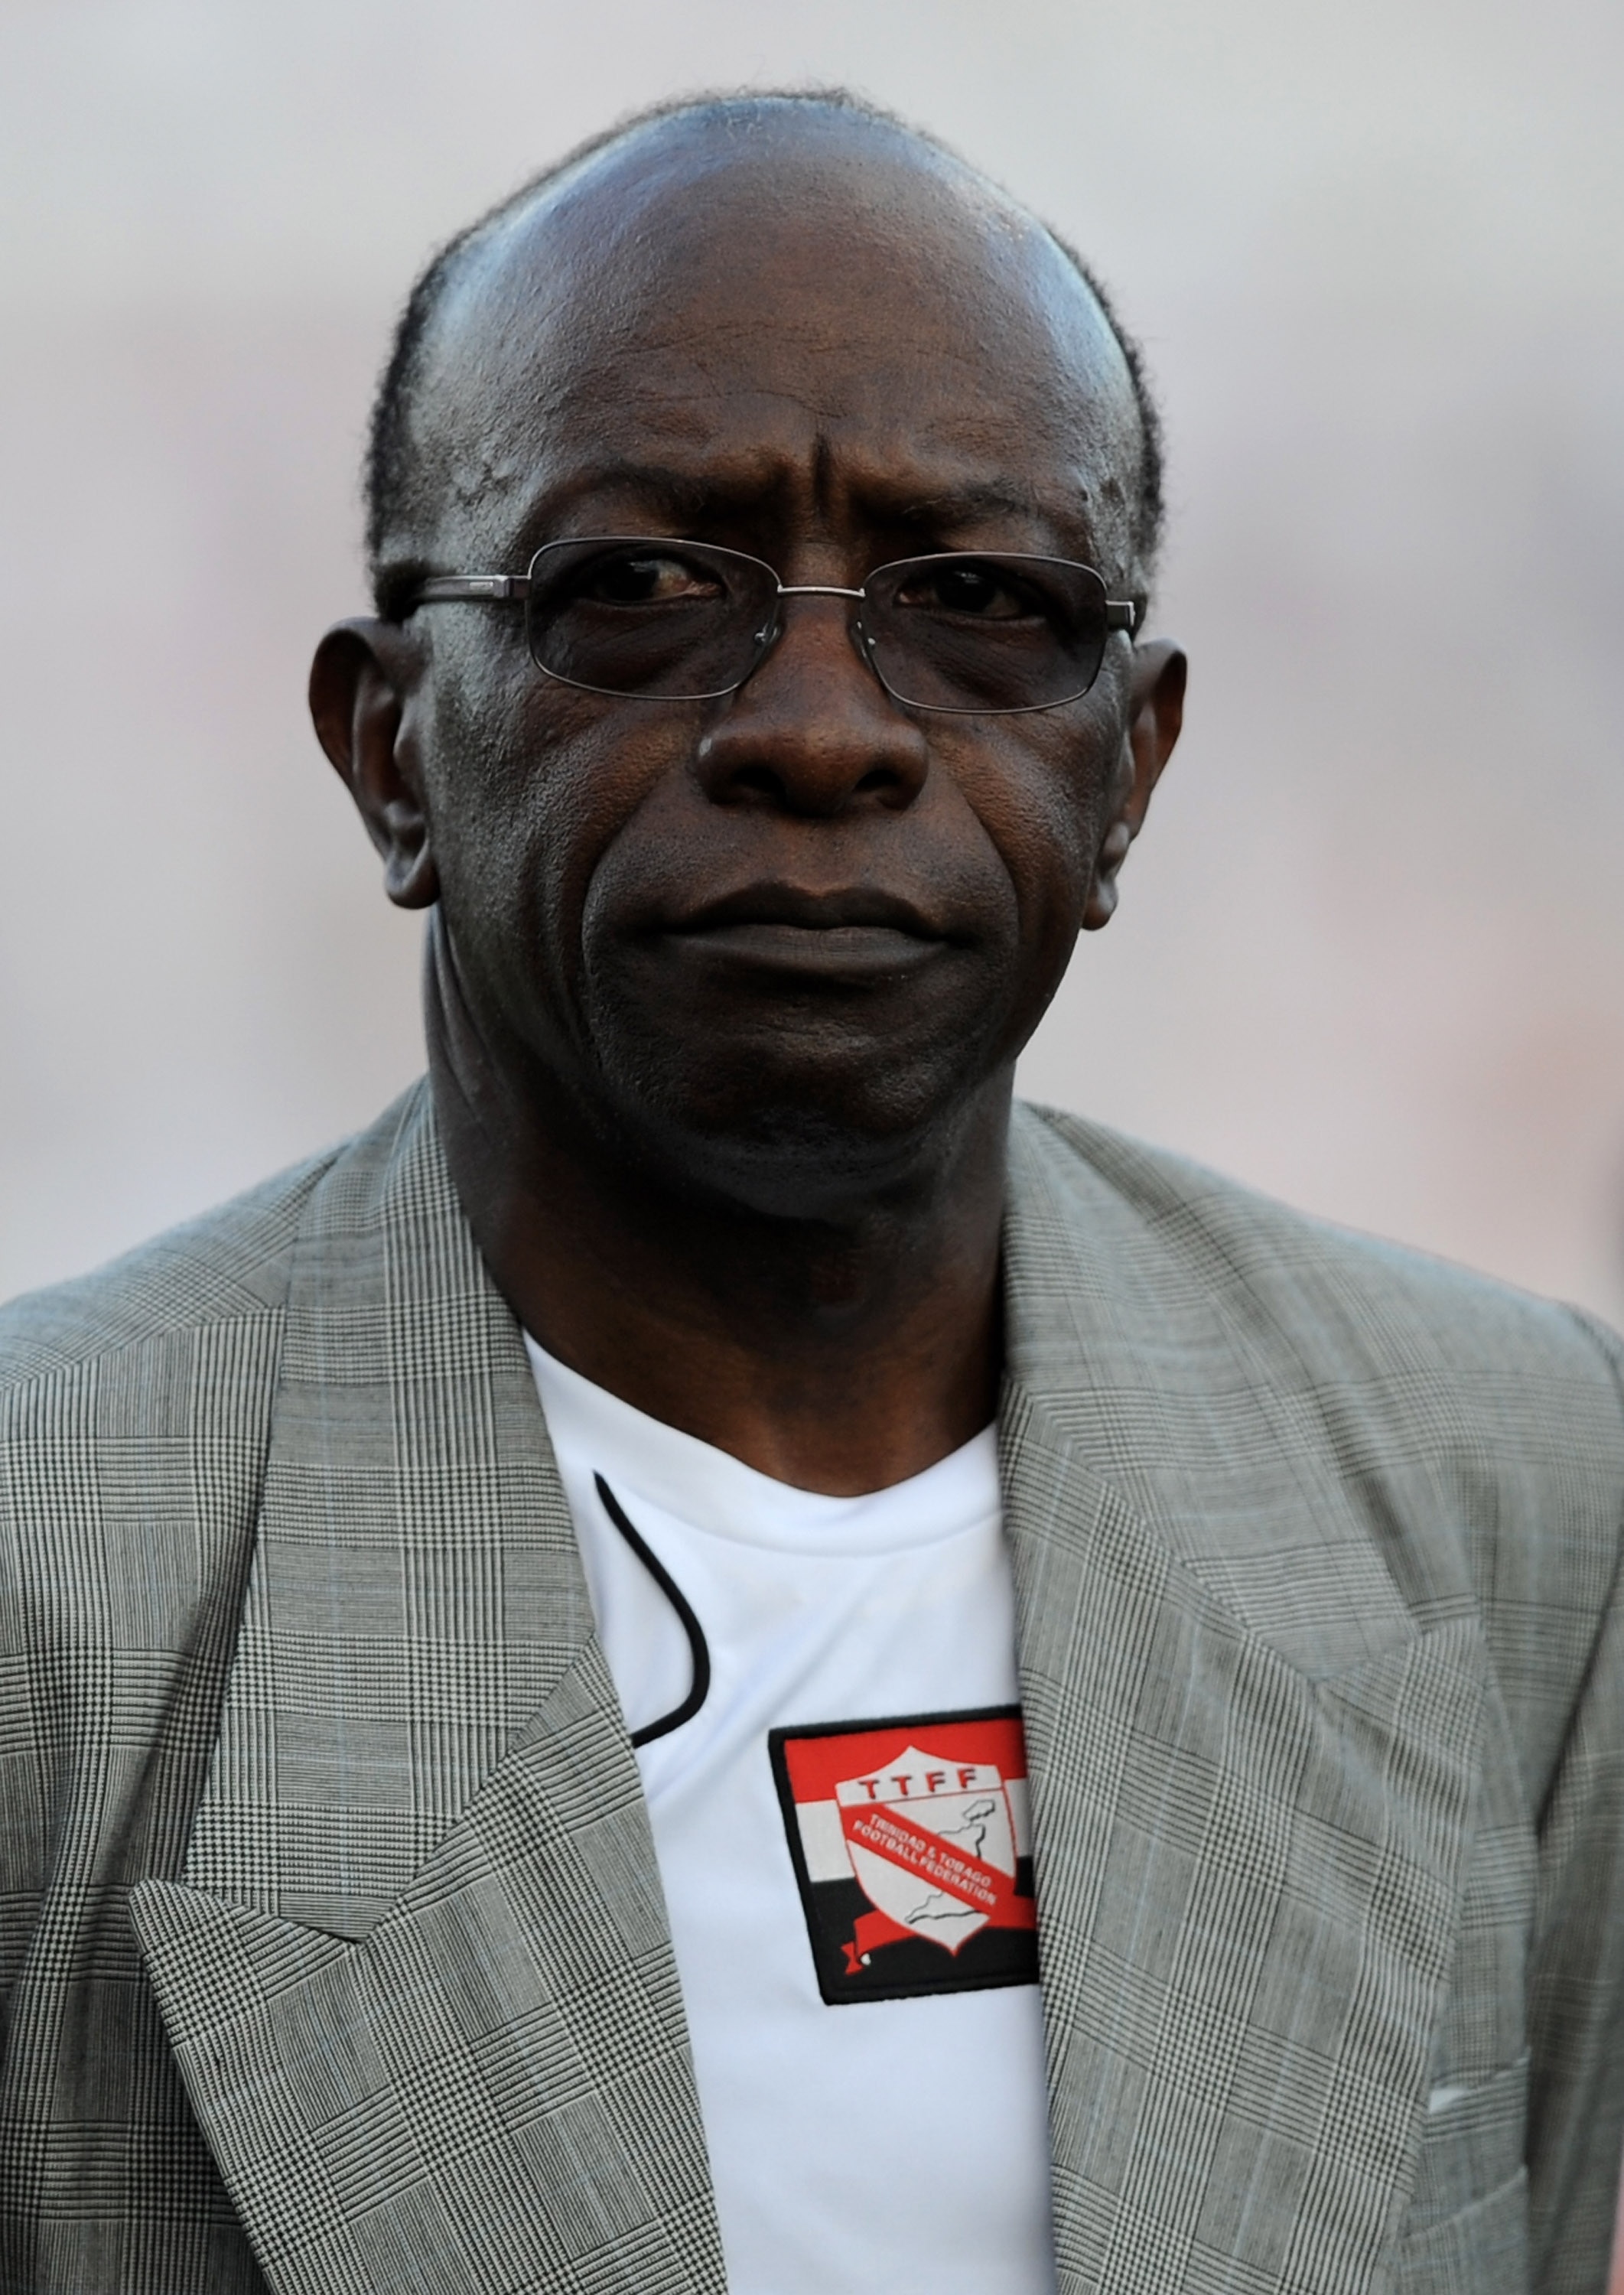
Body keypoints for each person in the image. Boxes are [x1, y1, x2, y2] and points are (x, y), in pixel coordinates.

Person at [1, 88, 1620, 2295]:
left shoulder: (1509, 1481)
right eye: (645, 586)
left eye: (980, 602)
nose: (827, 728)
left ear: (1126, 775)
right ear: (390, 752)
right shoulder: (46, 1576)